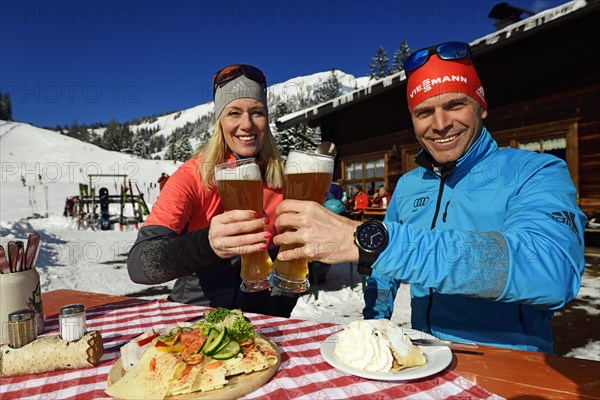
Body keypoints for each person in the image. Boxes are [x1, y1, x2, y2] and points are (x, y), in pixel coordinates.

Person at [271, 41, 586, 353]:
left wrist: (383, 243)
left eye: (454, 105)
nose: (440, 124)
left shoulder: (536, 170)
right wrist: (373, 321)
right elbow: (382, 269)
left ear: (482, 105)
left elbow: (552, 271)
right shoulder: (409, 184)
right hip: (426, 355)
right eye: (424, 111)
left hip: (510, 363)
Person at [127, 64, 298, 317]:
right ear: (219, 121)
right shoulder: (193, 175)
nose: (247, 124)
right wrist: (208, 244)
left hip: (257, 322)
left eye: (257, 112)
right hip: (193, 319)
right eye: (234, 113)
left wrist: (274, 311)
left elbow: (293, 259)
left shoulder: (283, 181)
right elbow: (140, 265)